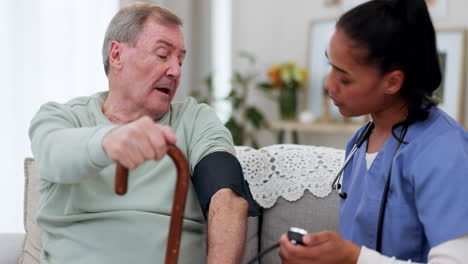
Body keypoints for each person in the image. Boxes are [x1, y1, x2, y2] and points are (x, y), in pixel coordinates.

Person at [29, 2, 258, 263]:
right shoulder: (62, 117)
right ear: (116, 55)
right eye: (163, 55)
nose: (175, 71)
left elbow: (226, 196)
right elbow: (52, 155)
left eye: (180, 60)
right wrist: (109, 141)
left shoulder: (195, 120)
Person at [279, 0, 468, 263]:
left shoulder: (444, 150)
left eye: (344, 77)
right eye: (329, 65)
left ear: (392, 81)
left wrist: (352, 257)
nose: (328, 83)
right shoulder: (359, 142)